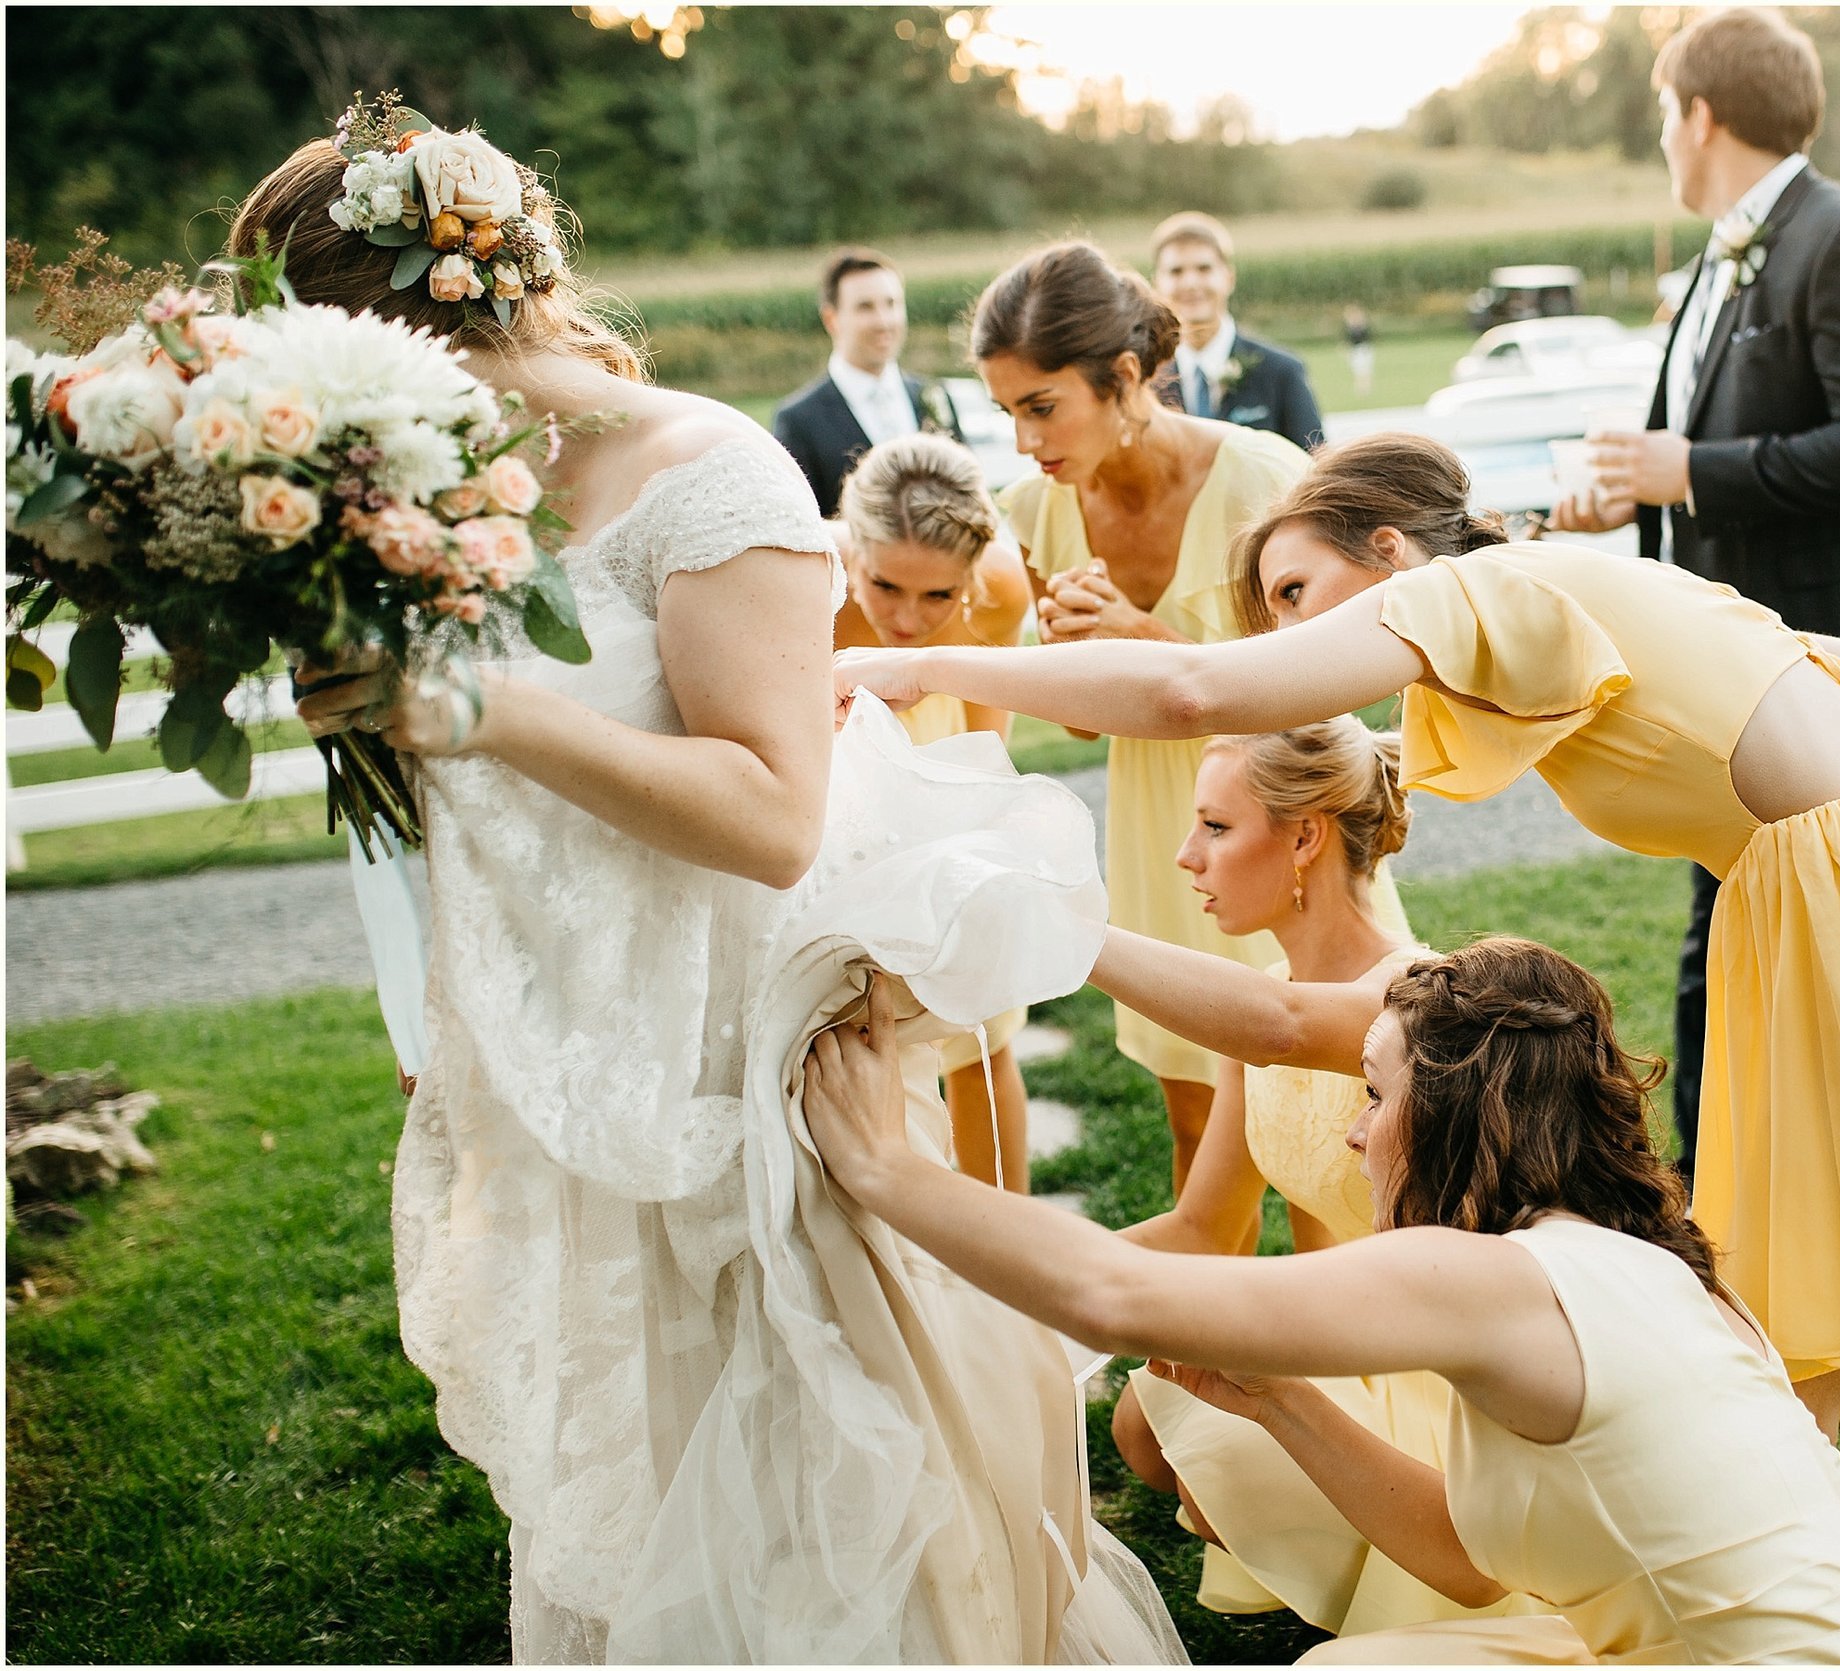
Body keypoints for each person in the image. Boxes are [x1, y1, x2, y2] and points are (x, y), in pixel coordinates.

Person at [832, 432, 1840, 1651]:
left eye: (1297, 590)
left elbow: (1188, 685)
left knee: (1837, 1320)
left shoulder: (1479, 590)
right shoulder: (1581, 600)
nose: (1289, 630)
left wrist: (914, 665)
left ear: (1391, 550)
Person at [258, 120, 1178, 1661]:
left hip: (744, 1088)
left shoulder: (710, 473)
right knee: (635, 1512)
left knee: (819, 1508)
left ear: (400, 331)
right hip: (570, 1075)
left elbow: (770, 810)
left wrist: (475, 708)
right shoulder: (423, 508)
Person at [803, 938, 1840, 1666]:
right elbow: (1465, 1559)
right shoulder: (1629, 1260)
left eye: (1374, 1092)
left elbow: (1116, 1295)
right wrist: (1283, 1405)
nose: (1356, 1128)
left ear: (1457, 1112)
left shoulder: (1490, 1277)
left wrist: (886, 1171)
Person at [1548, 7, 1840, 1196]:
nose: (1660, 142)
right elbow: (1709, 452)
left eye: (1660, 116)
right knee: (1737, 928)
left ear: (1700, 115)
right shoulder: (1723, 253)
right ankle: (1732, 1181)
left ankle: (1773, 1187)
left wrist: (1689, 471)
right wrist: (1636, 500)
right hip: (1738, 660)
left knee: (1830, 937)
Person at [1093, 721, 1544, 1641]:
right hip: (1357, 1325)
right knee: (1145, 1424)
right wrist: (1017, 1280)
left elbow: (1283, 1026)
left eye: (1216, 827)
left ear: (1305, 838)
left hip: (1453, 1361)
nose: (1186, 857)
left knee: (1195, 1431)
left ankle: (1386, 1542)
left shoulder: (1416, 996)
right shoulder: (1263, 991)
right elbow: (1202, 1226)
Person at [976, 239, 1406, 1192]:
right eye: (1007, 412)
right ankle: (1212, 1341)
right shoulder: (1034, 510)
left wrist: (1142, 634)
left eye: (1041, 407)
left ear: (1125, 376)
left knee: (1341, 1117)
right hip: (1164, 838)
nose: (1023, 440)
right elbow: (1090, 726)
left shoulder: (1261, 478)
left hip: (1289, 823)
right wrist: (1080, 661)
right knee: (1195, 1114)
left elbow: (1339, 689)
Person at [833, 433, 1037, 1191]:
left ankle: (1008, 1236)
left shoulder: (1003, 591)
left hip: (942, 774)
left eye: (938, 596)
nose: (909, 620)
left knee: (983, 1034)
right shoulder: (803, 591)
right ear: (852, 549)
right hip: (837, 798)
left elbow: (988, 749)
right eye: (885, 586)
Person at [774, 245, 964, 516]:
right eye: (865, 307)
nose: (884, 321)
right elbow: (800, 526)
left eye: (891, 304)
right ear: (832, 319)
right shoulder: (798, 421)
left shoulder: (932, 395)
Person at [1150, 211, 1328, 452]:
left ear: (1229, 278)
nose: (1190, 283)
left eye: (1204, 269)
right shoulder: (1145, 383)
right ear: (1156, 284)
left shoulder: (1283, 373)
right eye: (1176, 271)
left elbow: (1316, 471)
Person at [1341, 303, 1375, 399]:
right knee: (1358, 370)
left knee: (1366, 369)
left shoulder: (1362, 327)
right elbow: (1348, 341)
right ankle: (1360, 389)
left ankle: (1366, 388)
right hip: (1356, 350)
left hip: (1364, 349)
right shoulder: (1350, 328)